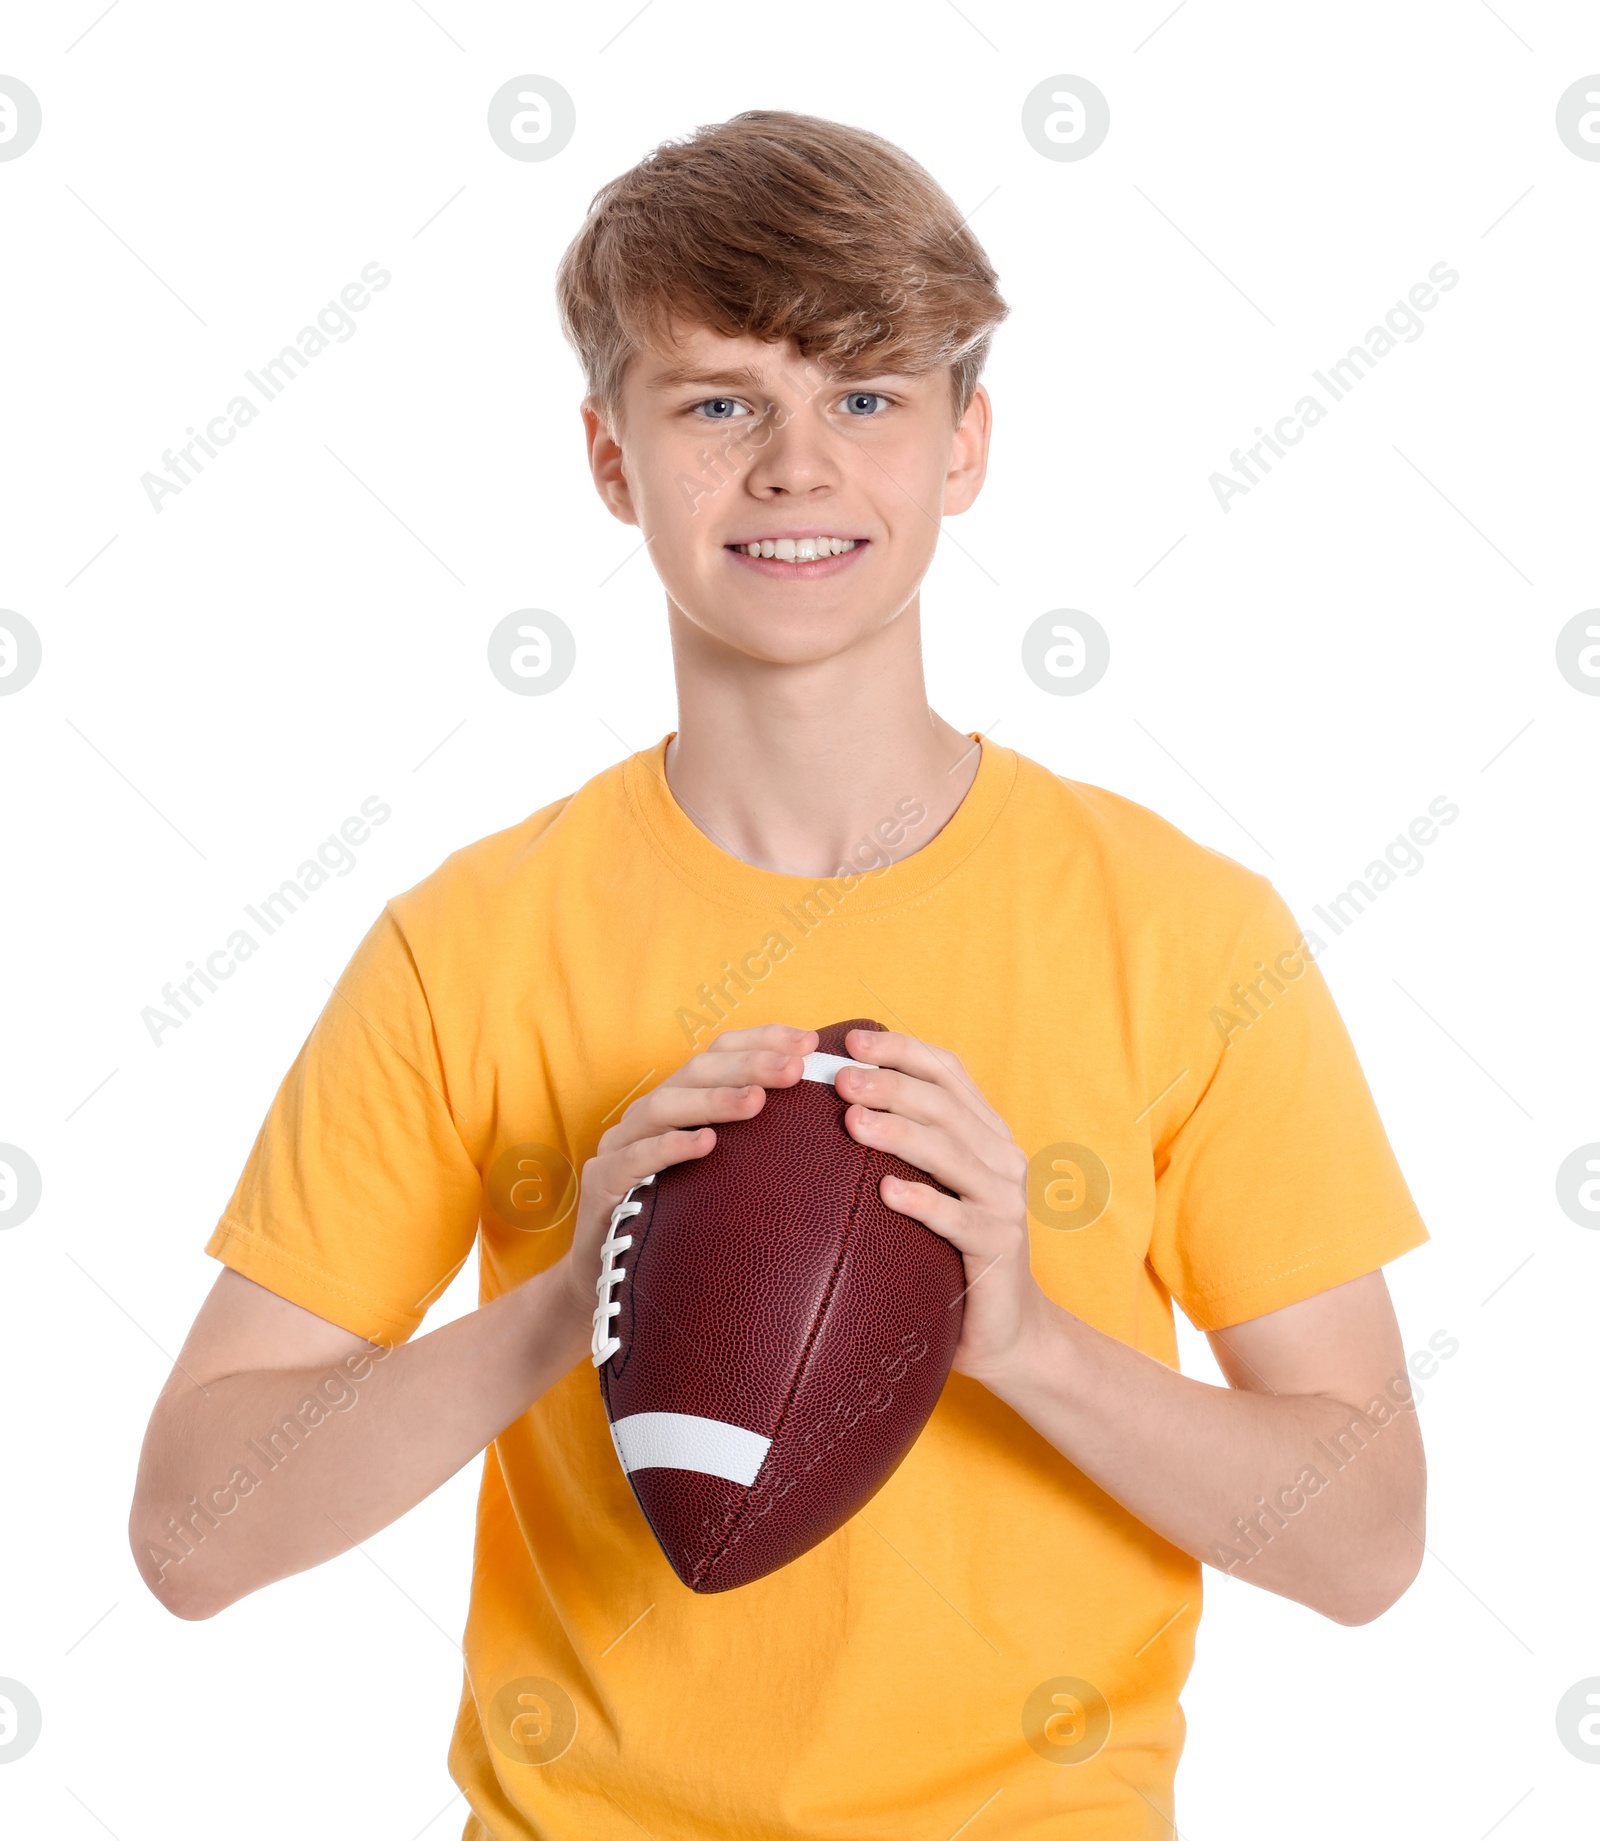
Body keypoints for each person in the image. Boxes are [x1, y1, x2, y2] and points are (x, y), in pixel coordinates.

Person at [130, 110, 1430, 1838]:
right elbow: (192, 1534)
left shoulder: (1182, 929)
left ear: (968, 444)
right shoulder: (470, 943)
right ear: (611, 456)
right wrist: (570, 1296)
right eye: (722, 401)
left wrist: (1026, 1338)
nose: (799, 466)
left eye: (869, 397)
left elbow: (1366, 1541)